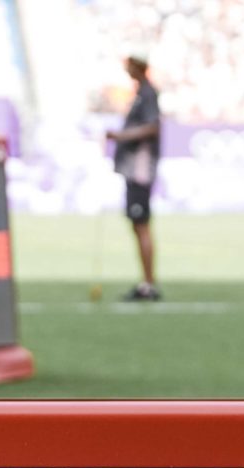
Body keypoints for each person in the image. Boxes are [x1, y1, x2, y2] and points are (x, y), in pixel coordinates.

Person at [106, 52, 162, 302]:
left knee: (141, 224)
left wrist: (122, 136)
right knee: (137, 224)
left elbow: (153, 127)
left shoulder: (147, 94)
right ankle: (146, 282)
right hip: (133, 168)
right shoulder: (141, 93)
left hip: (140, 169)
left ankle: (148, 284)